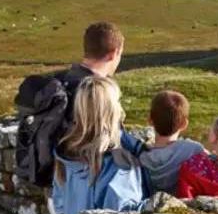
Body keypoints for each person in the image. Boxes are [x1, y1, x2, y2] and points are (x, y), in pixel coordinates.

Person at [15, 22, 140, 186]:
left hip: (54, 177)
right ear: (114, 53)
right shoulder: (95, 92)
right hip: (82, 182)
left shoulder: (59, 82)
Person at [51, 76, 148, 214]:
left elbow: (59, 204)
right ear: (111, 110)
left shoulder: (65, 152)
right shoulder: (120, 162)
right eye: (118, 101)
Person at [140, 89, 206, 194]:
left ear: (150, 120)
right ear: (184, 124)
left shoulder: (140, 156)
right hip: (182, 202)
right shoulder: (193, 149)